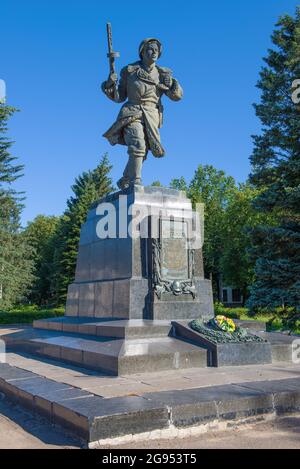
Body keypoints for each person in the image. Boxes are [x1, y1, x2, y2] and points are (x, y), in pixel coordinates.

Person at [102, 38, 183, 190]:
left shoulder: (162, 73)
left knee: (143, 151)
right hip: (132, 112)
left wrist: (172, 84)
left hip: (152, 116)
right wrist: (110, 85)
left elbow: (176, 97)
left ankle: (126, 178)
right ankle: (135, 182)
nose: (154, 53)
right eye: (150, 49)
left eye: (156, 50)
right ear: (142, 52)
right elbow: (119, 97)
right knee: (138, 145)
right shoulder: (130, 70)